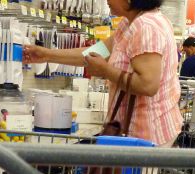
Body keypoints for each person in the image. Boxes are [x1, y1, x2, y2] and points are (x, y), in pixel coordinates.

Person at [23, 0, 183, 147]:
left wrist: (105, 70)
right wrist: (48, 55)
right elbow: (95, 53)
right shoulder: (129, 24)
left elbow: (148, 85)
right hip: (131, 132)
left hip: (145, 136)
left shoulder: (146, 26)